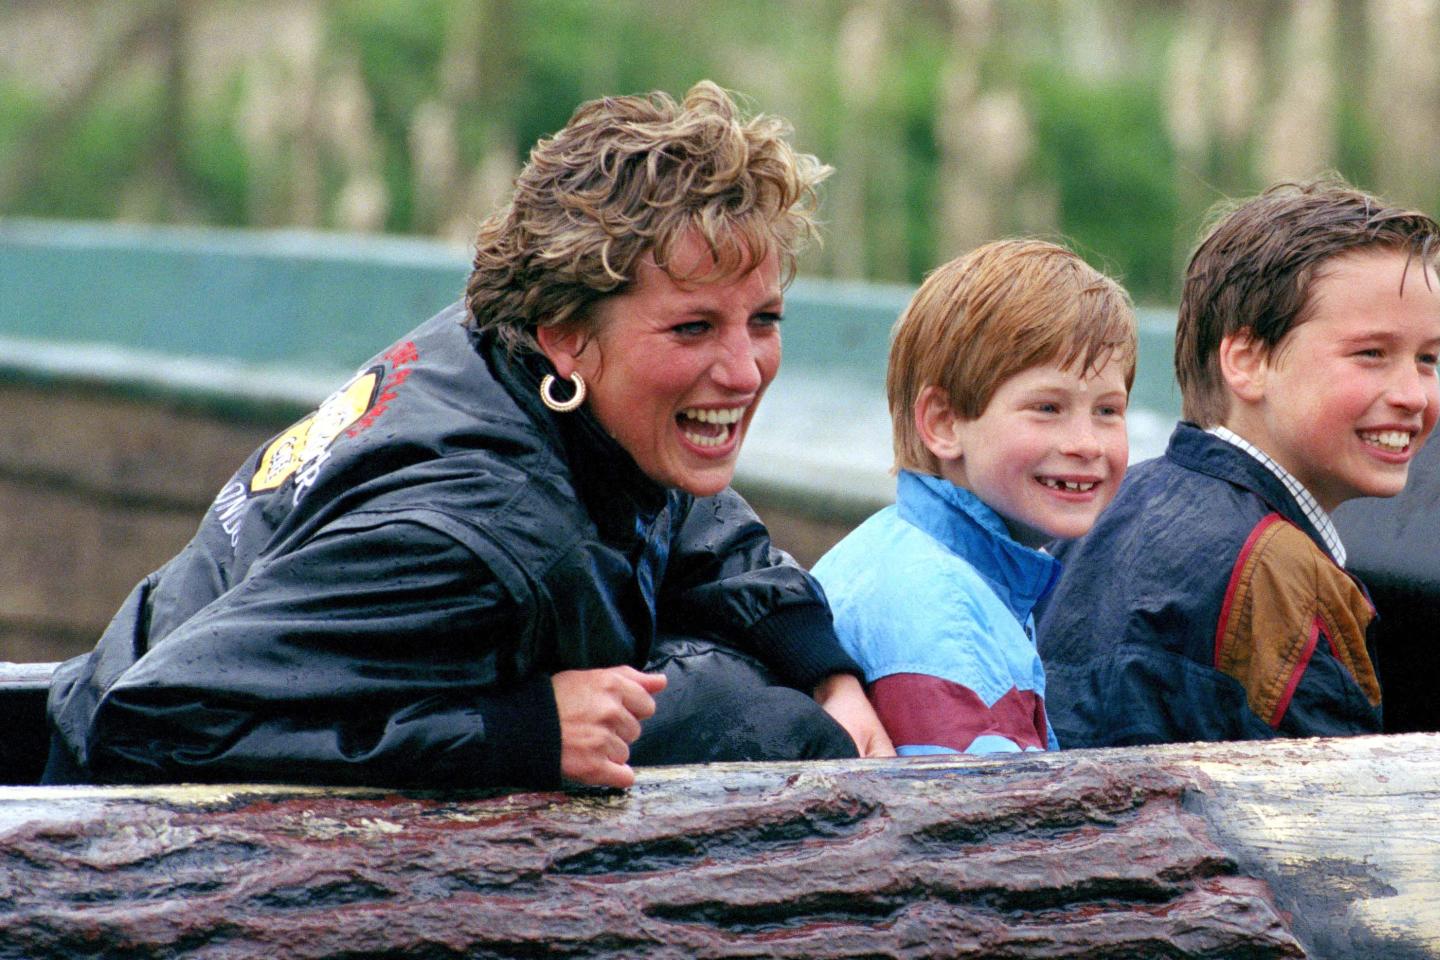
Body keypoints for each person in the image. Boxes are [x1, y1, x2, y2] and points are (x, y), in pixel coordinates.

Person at [43, 81, 893, 789]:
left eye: (765, 319)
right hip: (120, 848)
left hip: (158, 670)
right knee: (768, 735)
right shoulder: (480, 532)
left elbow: (685, 515)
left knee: (763, 697)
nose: (744, 371)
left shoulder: (519, 363)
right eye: (693, 330)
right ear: (567, 333)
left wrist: (826, 668)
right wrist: (518, 733)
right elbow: (151, 723)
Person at [1039, 177, 1440, 748]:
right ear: (1247, 361)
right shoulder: (1286, 578)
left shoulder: (1102, 512)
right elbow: (1337, 819)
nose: (1413, 394)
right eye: (1371, 354)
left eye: (1427, 359)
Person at [811, 239, 1136, 755]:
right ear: (943, 423)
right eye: (1048, 407)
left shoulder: (915, 552)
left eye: (1108, 411)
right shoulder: (945, 622)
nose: (1086, 444)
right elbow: (982, 827)